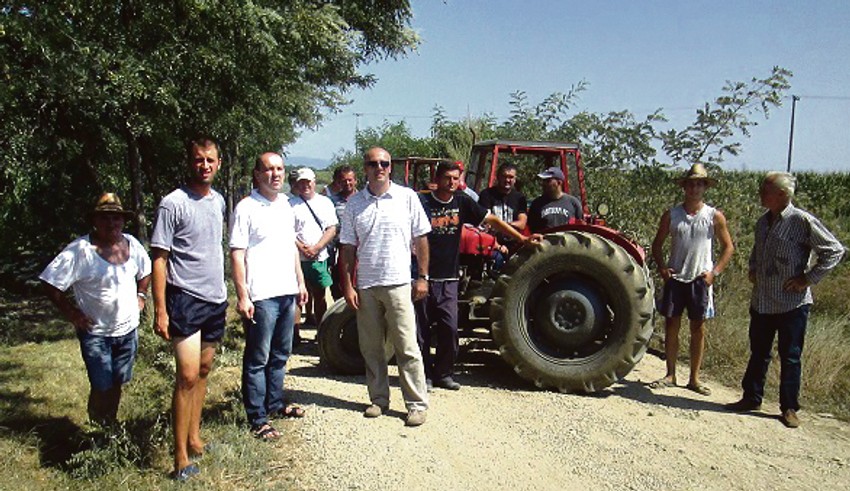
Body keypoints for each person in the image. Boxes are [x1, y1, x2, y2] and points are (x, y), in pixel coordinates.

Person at [726, 171, 844, 428]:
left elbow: (834, 250)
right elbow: (758, 249)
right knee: (758, 352)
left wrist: (809, 278)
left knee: (790, 355)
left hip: (792, 302)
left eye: (765, 190)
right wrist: (753, 268)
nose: (760, 194)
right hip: (763, 300)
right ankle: (751, 397)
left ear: (781, 194)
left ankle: (789, 408)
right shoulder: (762, 222)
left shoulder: (801, 221)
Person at [416, 162, 538, 390]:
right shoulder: (422, 202)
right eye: (447, 178)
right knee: (421, 329)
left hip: (450, 277)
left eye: (455, 178)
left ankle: (444, 374)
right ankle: (425, 375)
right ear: (437, 177)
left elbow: (491, 220)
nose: (451, 182)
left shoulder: (462, 202)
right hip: (424, 276)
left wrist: (520, 239)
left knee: (449, 328)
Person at [150, 136, 228, 481]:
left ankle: (195, 438)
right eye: (199, 160)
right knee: (186, 376)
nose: (205, 166)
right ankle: (180, 457)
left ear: (219, 163)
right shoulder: (172, 203)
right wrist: (160, 309)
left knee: (205, 370)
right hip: (184, 299)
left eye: (210, 160)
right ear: (190, 162)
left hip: (215, 298)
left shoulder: (219, 201)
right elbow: (160, 258)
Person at [338, 146, 431, 427]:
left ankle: (416, 404)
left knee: (407, 346)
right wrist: (348, 286)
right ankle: (378, 399)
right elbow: (347, 248)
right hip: (366, 285)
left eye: (384, 163)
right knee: (371, 347)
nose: (379, 167)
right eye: (373, 163)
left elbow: (422, 239)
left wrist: (423, 277)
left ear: (391, 167)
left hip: (399, 283)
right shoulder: (355, 204)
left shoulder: (407, 197)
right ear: (365, 168)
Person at [40, 193, 151, 425]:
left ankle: (110, 425)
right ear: (95, 221)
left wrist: (141, 294)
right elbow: (50, 283)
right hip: (96, 334)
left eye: (116, 218)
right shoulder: (79, 250)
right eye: (105, 218)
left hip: (127, 331)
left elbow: (146, 270)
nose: (111, 223)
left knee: (118, 382)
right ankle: (97, 429)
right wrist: (72, 313)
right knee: (101, 385)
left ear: (123, 221)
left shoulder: (132, 244)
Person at [230, 152, 309, 441]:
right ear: (257, 174)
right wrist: (243, 296)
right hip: (261, 295)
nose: (275, 174)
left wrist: (300, 282)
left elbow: (291, 248)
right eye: (268, 169)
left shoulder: (286, 206)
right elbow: (237, 253)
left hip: (287, 292)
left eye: (279, 169)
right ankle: (257, 418)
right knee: (257, 358)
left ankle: (275, 405)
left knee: (280, 355)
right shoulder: (246, 207)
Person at [649, 163, 734, 395]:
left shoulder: (714, 216)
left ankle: (694, 379)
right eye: (691, 184)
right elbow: (657, 245)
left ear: (704, 187)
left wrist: (714, 273)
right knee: (672, 324)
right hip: (677, 277)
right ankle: (670, 373)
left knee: (698, 328)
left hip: (700, 279)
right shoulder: (672, 215)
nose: (694, 188)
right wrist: (663, 268)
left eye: (699, 184)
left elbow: (728, 247)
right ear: (684, 186)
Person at [289, 167, 338, 327]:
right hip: (297, 259)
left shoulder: (325, 203)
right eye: (301, 183)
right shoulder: (290, 205)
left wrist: (317, 247)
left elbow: (332, 228)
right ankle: (294, 334)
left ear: (314, 182)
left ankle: (322, 330)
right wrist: (301, 247)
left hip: (319, 257)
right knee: (298, 296)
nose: (305, 186)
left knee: (319, 295)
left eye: (308, 182)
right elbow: (287, 231)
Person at [327, 165, 358, 299]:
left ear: (355, 181)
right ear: (338, 182)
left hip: (360, 249)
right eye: (343, 180)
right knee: (338, 281)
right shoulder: (330, 202)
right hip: (338, 248)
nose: (347, 183)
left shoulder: (363, 200)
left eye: (350, 180)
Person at [477, 162, 528, 241]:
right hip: (491, 242)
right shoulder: (486, 194)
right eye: (504, 176)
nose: (507, 180)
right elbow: (486, 220)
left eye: (511, 177)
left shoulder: (519, 198)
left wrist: (501, 226)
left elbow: (522, 224)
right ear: (498, 177)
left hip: (513, 242)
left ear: (515, 179)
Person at [527, 166, 584, 232]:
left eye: (548, 181)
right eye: (543, 181)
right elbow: (532, 229)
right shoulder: (537, 204)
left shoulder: (573, 203)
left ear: (559, 183)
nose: (544, 184)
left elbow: (580, 227)